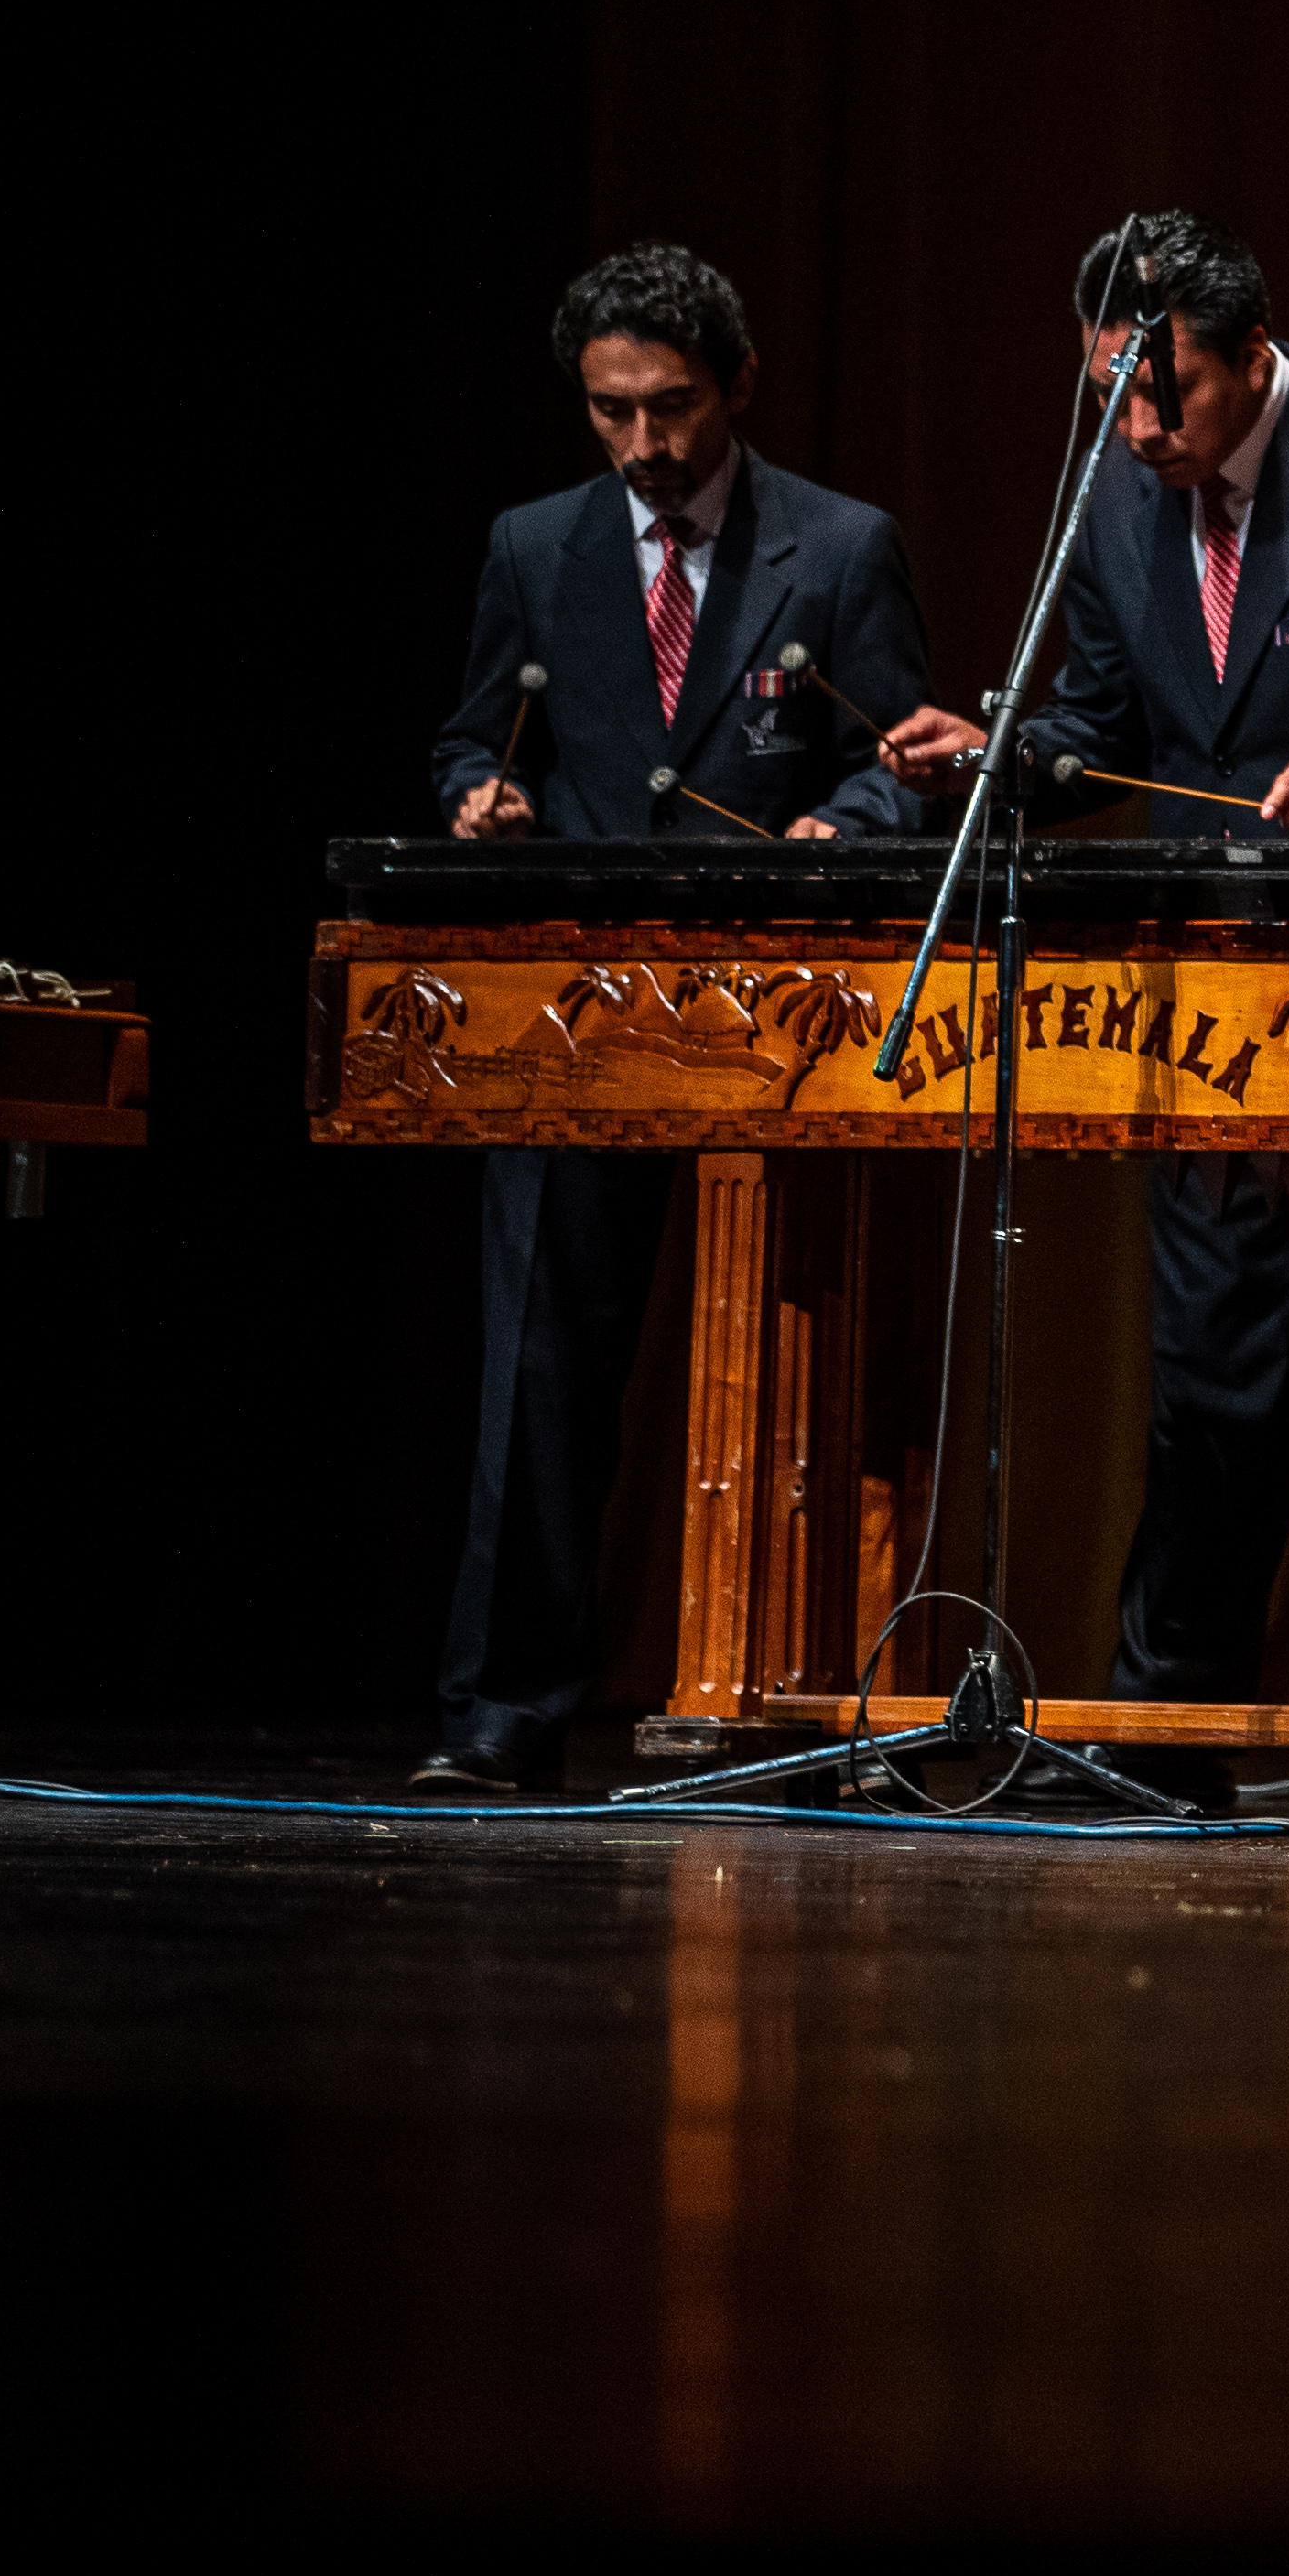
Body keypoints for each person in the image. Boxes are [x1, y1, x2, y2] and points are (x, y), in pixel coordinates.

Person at [878, 212, 1289, 1728]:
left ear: (1251, 355)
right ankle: (1166, 1727)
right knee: (1214, 1387)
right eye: (1108, 393)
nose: (1133, 426)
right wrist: (999, 760)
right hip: (1214, 1011)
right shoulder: (1120, 500)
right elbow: (1105, 722)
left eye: (1160, 390)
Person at [415, 243, 929, 1789]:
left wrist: (852, 819)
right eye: (612, 412)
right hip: (581, 1016)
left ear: (739, 388)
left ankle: (806, 1714)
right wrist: (475, 797)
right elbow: (466, 733)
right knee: (538, 1372)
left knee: (792, 1372)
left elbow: (906, 752)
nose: (645, 445)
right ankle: (504, 1712)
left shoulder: (839, 550)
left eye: (674, 408)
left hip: (781, 1025)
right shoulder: (533, 543)